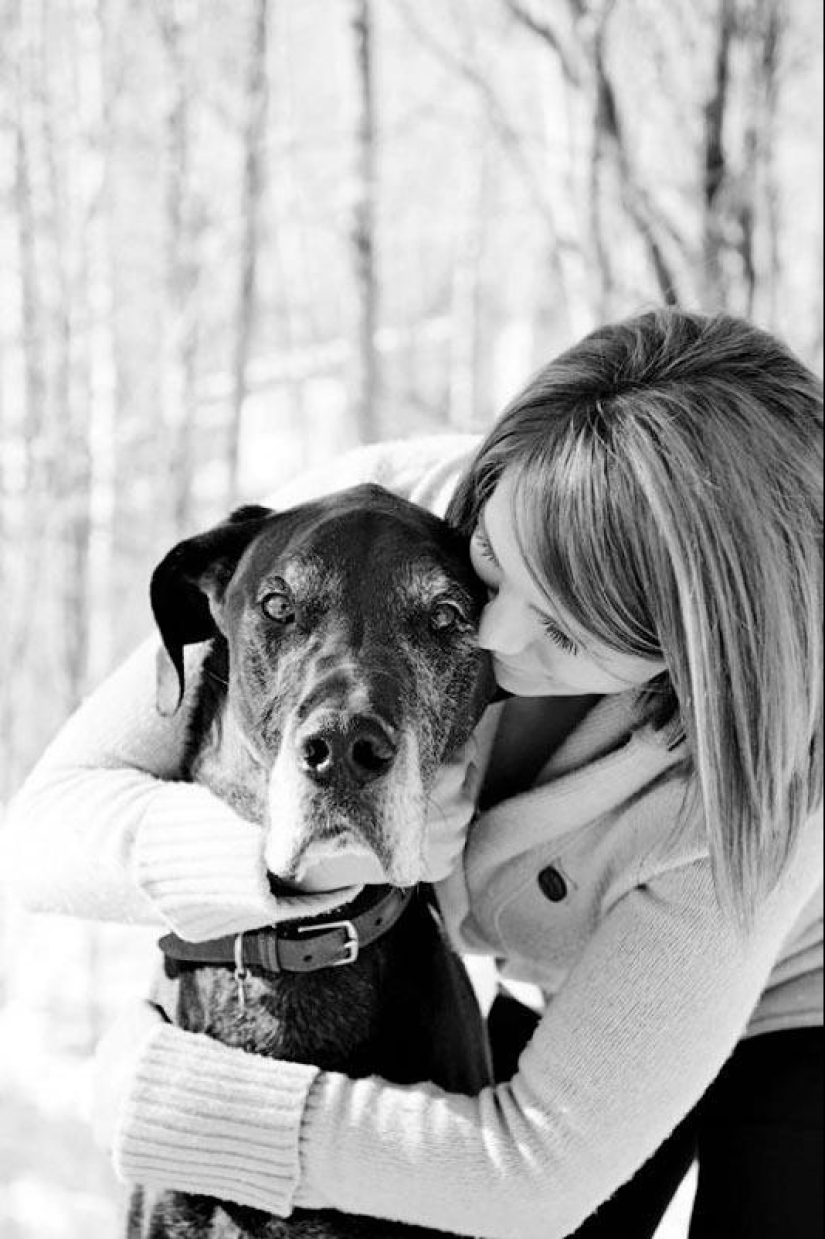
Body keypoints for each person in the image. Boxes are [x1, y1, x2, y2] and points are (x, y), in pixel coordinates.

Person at [5, 308, 822, 1239]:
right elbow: (41, 830)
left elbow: (531, 1176)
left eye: (565, 630)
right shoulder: (366, 527)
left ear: (685, 653)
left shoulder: (769, 779)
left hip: (799, 1001)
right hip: (562, 981)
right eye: (491, 565)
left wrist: (184, 1108)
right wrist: (274, 867)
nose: (492, 632)